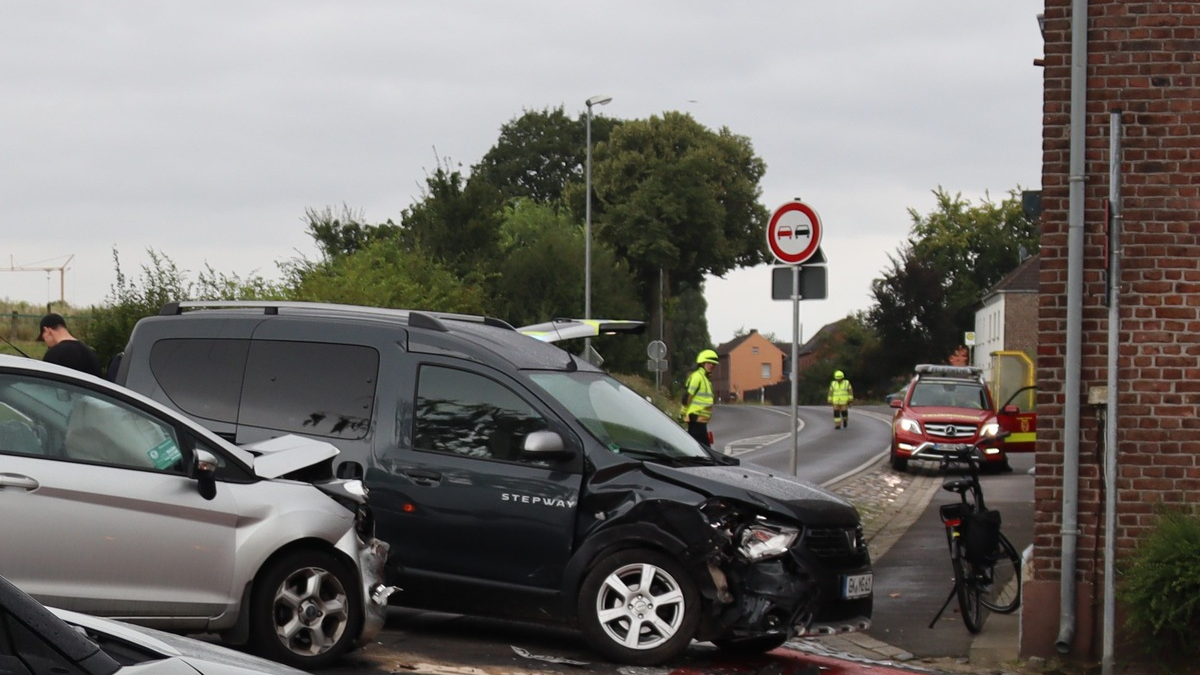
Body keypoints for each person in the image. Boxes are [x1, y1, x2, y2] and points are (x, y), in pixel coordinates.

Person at [37, 312, 102, 378]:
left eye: (43, 338)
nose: (46, 342)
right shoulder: (90, 353)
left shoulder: (53, 354)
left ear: (47, 331)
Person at [681, 349, 718, 445]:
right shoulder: (697, 377)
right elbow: (688, 396)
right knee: (702, 448)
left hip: (701, 419)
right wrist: (684, 413)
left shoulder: (705, 378)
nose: (711, 365)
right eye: (709, 363)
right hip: (696, 417)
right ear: (702, 363)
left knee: (698, 446)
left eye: (713, 364)